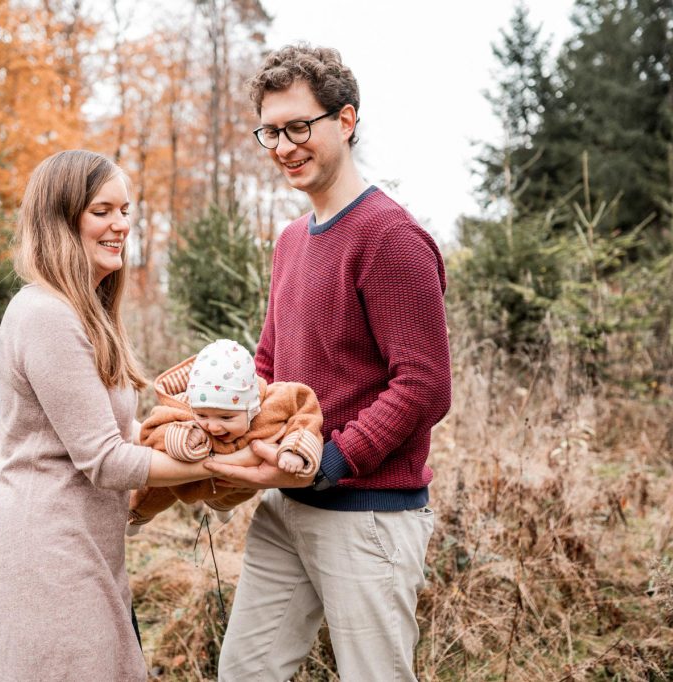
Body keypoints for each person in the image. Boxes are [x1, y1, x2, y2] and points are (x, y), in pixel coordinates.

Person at [204, 44, 452, 681]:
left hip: (367, 514)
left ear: (345, 121)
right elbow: (270, 360)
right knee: (244, 673)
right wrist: (227, 423)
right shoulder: (291, 240)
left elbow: (425, 386)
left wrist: (332, 461)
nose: (283, 146)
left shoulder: (389, 236)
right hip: (286, 507)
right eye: (271, 131)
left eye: (298, 126)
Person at [0, 150, 254, 681]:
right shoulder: (45, 315)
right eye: (102, 211)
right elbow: (105, 459)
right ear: (60, 219)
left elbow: (123, 433)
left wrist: (194, 434)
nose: (121, 225)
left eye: (125, 210)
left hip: (88, 545)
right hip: (49, 555)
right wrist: (227, 464)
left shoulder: (88, 311)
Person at [127, 338, 322, 534]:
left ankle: (222, 506)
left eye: (226, 417)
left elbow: (305, 412)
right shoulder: (185, 407)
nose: (212, 426)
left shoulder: (273, 405)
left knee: (240, 490)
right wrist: (184, 435)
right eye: (202, 415)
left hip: (237, 483)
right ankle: (138, 516)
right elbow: (152, 432)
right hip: (186, 480)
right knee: (155, 494)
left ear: (251, 408)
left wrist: (294, 449)